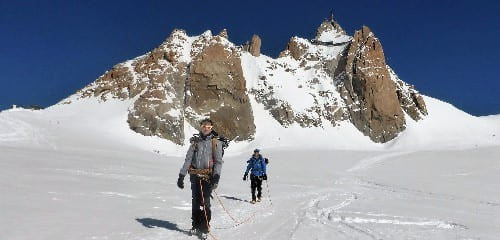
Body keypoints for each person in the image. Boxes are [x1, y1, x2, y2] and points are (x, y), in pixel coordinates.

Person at [177, 118, 224, 236]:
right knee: (195, 201)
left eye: (209, 127)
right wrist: (181, 175)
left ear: (212, 128)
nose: (206, 128)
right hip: (194, 175)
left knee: (205, 201)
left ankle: (205, 227)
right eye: (204, 126)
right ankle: (195, 225)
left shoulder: (216, 143)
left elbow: (218, 162)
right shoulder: (195, 142)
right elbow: (188, 159)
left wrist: (216, 176)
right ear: (201, 127)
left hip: (208, 176)